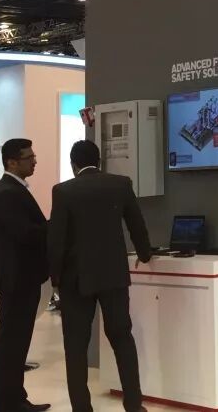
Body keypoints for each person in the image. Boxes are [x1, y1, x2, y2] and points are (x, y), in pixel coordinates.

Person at [49, 140, 151, 412]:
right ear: (99, 161)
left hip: (76, 280)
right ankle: (134, 404)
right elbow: (136, 224)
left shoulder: (63, 191)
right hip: (113, 275)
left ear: (73, 164)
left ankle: (82, 408)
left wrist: (55, 279)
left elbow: (57, 240)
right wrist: (145, 254)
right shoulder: (121, 184)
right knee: (122, 338)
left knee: (76, 346)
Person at [0, 139, 50, 412]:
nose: (34, 161)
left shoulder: (13, 190)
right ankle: (5, 403)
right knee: (10, 344)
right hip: (17, 280)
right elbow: (24, 233)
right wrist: (54, 227)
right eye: (29, 157)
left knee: (17, 343)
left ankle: (15, 398)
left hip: (22, 278)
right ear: (12, 162)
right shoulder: (7, 193)